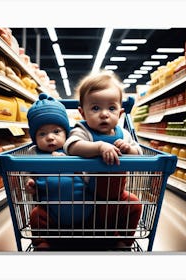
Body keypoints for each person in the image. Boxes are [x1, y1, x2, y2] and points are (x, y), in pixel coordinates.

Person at [63, 71, 143, 247]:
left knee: (135, 205)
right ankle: (98, 237)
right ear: (82, 113)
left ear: (120, 113)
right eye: (96, 108)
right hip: (89, 194)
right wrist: (99, 147)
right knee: (92, 219)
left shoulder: (124, 135)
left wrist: (129, 149)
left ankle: (124, 240)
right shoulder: (82, 131)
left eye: (111, 108)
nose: (104, 114)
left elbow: (139, 153)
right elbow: (72, 146)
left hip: (117, 194)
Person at [25, 93, 93, 250]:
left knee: (104, 213)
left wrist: (67, 160)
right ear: (34, 138)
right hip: (51, 213)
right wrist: (31, 185)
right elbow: (32, 178)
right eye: (42, 133)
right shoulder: (33, 155)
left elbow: (88, 175)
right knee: (36, 215)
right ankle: (41, 242)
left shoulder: (74, 148)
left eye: (56, 132)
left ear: (66, 133)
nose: (49, 137)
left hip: (86, 209)